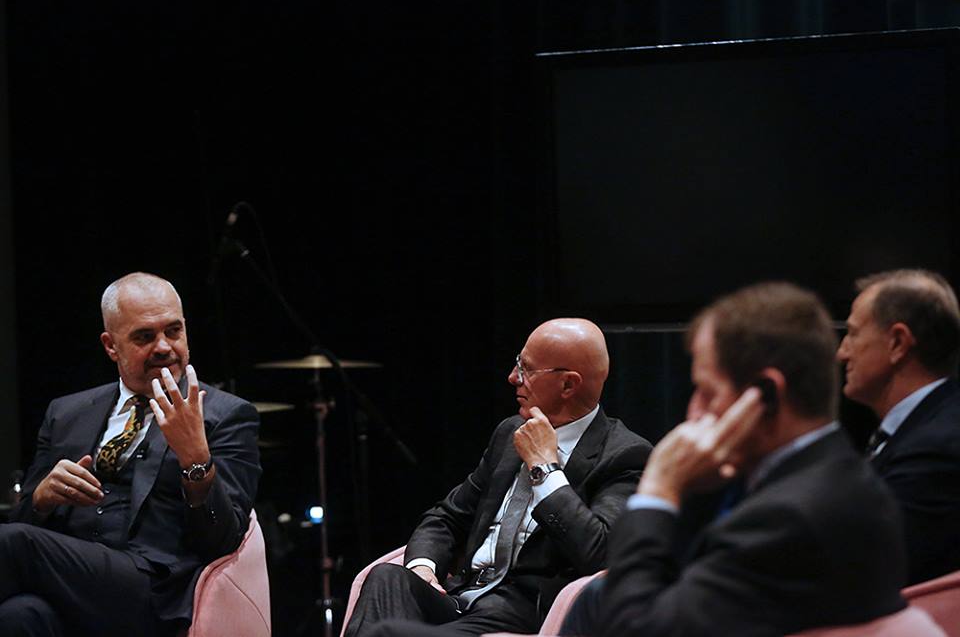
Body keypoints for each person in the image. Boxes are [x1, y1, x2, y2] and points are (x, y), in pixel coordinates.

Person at [588, 282, 906, 636]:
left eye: (707, 392)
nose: (694, 412)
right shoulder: (832, 473)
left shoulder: (787, 518)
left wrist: (658, 490)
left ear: (766, 395)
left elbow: (633, 629)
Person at [343, 318, 652, 637]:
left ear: (568, 386)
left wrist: (544, 469)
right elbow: (447, 517)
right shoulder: (509, 433)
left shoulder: (624, 455)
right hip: (460, 599)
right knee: (386, 578)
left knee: (388, 633)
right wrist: (423, 567)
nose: (513, 377)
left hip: (517, 613)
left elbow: (599, 553)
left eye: (526, 369)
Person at [1, 272, 261, 637]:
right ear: (111, 346)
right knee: (18, 616)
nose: (164, 347)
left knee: (14, 544)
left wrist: (196, 461)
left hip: (154, 591)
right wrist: (41, 500)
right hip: (71, 580)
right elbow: (22, 518)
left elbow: (224, 542)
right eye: (144, 336)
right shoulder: (66, 413)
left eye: (173, 331)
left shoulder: (225, 415)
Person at [837, 268, 960, 585]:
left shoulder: (936, 447)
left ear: (897, 343)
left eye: (853, 334)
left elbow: (864, 568)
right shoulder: (924, 426)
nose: (842, 352)